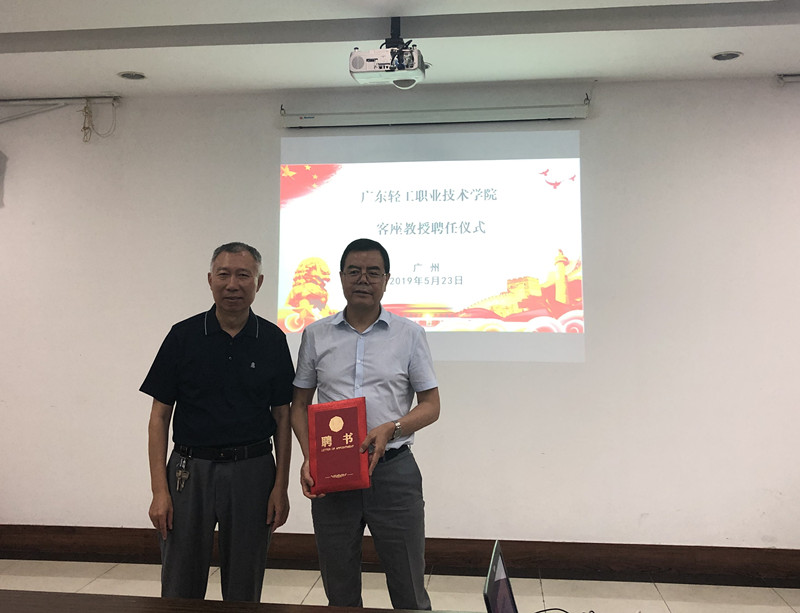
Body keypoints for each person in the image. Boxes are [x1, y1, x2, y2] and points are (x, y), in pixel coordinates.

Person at [291, 238, 441, 610]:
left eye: (373, 272)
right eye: (354, 271)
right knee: (339, 589)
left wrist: (394, 427)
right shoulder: (316, 334)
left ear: (386, 279)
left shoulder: (409, 334)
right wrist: (310, 457)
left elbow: (431, 406)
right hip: (333, 474)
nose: (363, 279)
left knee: (408, 588)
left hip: (393, 472)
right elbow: (299, 405)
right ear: (341, 277)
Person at [141, 242, 295, 602]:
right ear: (210, 280)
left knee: (244, 584)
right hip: (188, 472)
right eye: (224, 275)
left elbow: (283, 417)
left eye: (243, 275)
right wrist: (159, 490)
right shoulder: (183, 336)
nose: (233, 284)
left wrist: (280, 486)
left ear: (258, 282)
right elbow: (159, 416)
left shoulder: (272, 340)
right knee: (180, 582)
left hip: (253, 471)